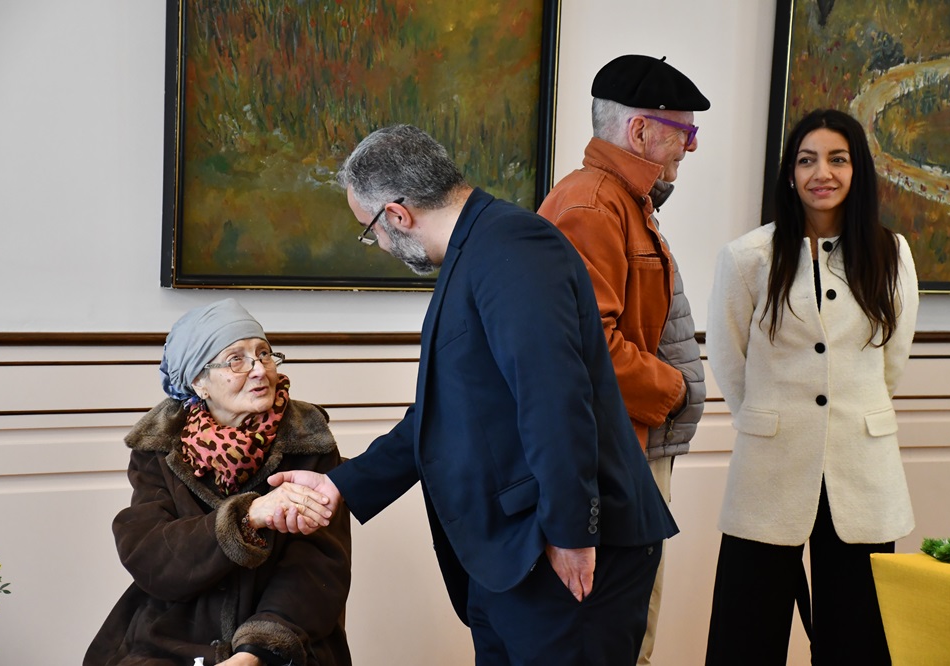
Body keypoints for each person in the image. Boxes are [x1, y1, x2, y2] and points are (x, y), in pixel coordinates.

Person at [268, 124, 678, 666]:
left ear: (397, 214)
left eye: (371, 231)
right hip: (512, 559)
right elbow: (439, 416)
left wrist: (572, 532)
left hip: (563, 549)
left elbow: (555, 399)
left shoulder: (514, 245)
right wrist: (339, 484)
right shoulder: (477, 249)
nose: (381, 245)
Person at [704, 109, 919, 665]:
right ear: (790, 174)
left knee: (859, 639)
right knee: (745, 636)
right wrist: (768, 421)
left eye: (837, 159)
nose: (821, 173)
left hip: (861, 467)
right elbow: (729, 360)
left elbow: (891, 363)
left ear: (857, 170)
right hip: (769, 469)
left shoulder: (891, 254)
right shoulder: (748, 258)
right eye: (806, 160)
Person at [536, 53, 709, 664]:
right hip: (613, 455)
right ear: (639, 130)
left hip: (629, 446)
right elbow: (589, 350)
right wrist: (676, 391)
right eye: (685, 131)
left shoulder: (618, 201)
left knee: (631, 633)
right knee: (618, 640)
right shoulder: (592, 206)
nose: (691, 146)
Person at [85, 298, 352, 666]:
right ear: (199, 382)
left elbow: (317, 569)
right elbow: (154, 558)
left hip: (281, 637)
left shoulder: (308, 442)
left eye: (264, 354)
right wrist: (247, 516)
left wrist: (255, 651)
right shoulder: (159, 448)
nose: (259, 370)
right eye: (236, 360)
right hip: (172, 637)